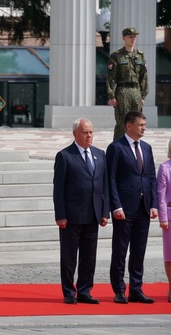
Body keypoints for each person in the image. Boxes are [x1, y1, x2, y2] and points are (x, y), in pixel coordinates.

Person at [53, 118, 109, 305]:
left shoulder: (100, 155)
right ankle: (69, 291)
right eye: (85, 132)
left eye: (91, 132)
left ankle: (85, 290)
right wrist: (60, 215)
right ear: (75, 134)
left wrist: (104, 212)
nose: (89, 136)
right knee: (69, 257)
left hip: (93, 215)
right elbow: (58, 189)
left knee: (89, 256)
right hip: (72, 216)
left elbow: (104, 186)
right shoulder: (65, 156)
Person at [106, 111, 157, 304]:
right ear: (129, 126)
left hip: (143, 208)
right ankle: (119, 289)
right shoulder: (116, 148)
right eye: (141, 125)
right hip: (124, 209)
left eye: (144, 124)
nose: (144, 128)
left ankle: (136, 289)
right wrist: (116, 205)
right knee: (120, 250)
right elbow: (110, 178)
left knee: (139, 251)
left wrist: (153, 204)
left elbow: (151, 177)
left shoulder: (147, 148)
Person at [107, 27, 148, 141]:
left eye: (134, 36)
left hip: (136, 92)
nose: (132, 39)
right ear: (123, 38)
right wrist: (111, 96)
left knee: (137, 122)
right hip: (122, 91)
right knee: (122, 122)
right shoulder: (116, 56)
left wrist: (143, 95)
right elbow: (111, 77)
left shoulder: (140, 55)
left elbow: (144, 77)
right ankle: (117, 150)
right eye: (130, 36)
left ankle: (134, 148)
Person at [156, 139, 171, 303]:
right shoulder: (165, 168)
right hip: (170, 216)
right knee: (170, 255)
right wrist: (163, 218)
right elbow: (161, 195)